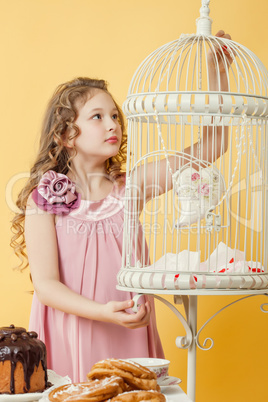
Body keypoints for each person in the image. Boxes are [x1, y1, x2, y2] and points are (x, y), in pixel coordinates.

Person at [11, 30, 232, 382]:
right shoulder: (45, 197)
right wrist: (103, 312)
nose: (113, 123)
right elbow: (47, 285)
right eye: (97, 117)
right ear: (66, 135)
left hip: (127, 328)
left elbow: (211, 146)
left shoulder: (131, 187)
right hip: (73, 330)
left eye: (114, 115)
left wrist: (217, 75)